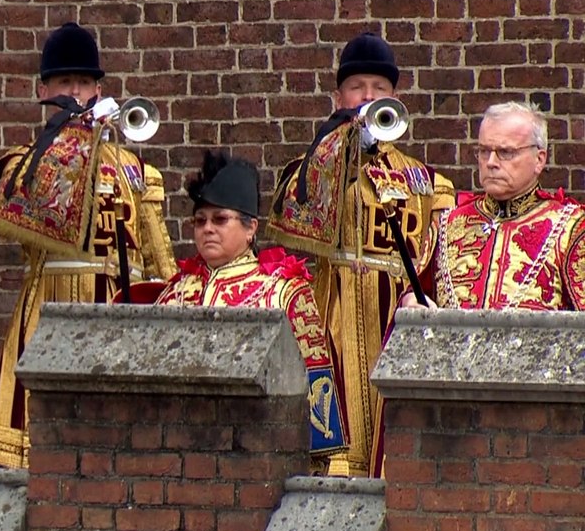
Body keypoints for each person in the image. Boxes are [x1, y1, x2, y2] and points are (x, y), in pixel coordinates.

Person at [0, 22, 178, 469]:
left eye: (84, 83)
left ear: (99, 90)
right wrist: (76, 136)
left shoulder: (135, 169)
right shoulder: (24, 163)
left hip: (118, 313)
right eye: (64, 82)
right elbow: (36, 207)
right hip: (50, 310)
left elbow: (157, 257)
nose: (75, 92)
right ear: (43, 92)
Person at [266, 32, 455, 477]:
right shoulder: (312, 167)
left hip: (397, 319)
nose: (368, 97)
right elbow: (294, 222)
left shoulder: (428, 180)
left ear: (395, 99)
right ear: (338, 98)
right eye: (357, 87)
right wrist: (346, 148)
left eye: (379, 88)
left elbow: (441, 262)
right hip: (334, 317)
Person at [133, 151, 346, 469]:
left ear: (250, 229)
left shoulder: (283, 291)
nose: (207, 228)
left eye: (220, 219)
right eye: (200, 221)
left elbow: (316, 388)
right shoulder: (174, 293)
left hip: (258, 456)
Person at [402, 102, 584, 310]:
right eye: (484, 151)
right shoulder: (448, 223)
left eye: (506, 152)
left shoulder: (570, 227)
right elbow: (415, 294)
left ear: (539, 160)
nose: (491, 162)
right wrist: (411, 301)